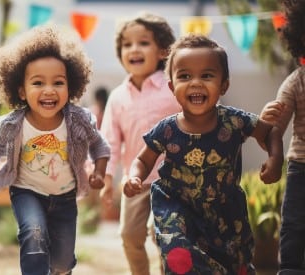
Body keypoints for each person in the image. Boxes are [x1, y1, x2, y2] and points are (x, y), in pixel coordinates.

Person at [123, 34, 283, 274]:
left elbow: (271, 132)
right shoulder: (167, 129)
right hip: (176, 206)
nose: (195, 83)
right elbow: (142, 160)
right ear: (172, 86)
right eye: (185, 76)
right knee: (178, 256)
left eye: (206, 75)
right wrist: (134, 176)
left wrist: (275, 159)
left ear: (224, 84)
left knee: (234, 264)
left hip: (224, 211)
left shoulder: (234, 121)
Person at [0, 24, 111, 275]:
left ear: (70, 85)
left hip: (65, 197)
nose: (49, 90)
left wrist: (99, 171)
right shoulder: (15, 124)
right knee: (33, 233)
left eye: (58, 82)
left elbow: (100, 145)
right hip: (27, 192)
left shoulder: (78, 120)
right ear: (21, 90)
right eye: (38, 83)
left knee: (62, 264)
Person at [98, 12, 180, 275]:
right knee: (130, 236)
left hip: (174, 182)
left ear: (162, 51)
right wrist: (106, 178)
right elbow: (109, 141)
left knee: (164, 238)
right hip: (136, 182)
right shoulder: (118, 97)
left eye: (143, 42)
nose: (134, 49)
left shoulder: (174, 88)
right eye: (127, 44)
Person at [259, 0, 305, 273]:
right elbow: (275, 130)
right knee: (294, 225)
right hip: (302, 166)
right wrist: (265, 122)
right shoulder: (296, 82)